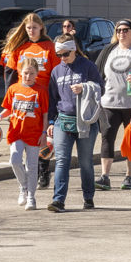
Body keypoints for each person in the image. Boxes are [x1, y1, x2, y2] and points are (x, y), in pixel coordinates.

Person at [0, 13, 61, 190]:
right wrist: (9, 100)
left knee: (42, 136)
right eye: (28, 28)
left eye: (35, 27)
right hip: (22, 96)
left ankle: (43, 170)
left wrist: (56, 97)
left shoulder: (49, 47)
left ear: (41, 27)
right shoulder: (20, 47)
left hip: (44, 96)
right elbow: (11, 74)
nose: (32, 30)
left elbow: (57, 74)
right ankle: (28, 179)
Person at [47, 35, 104, 213]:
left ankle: (88, 196)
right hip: (63, 120)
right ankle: (58, 200)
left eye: (65, 54)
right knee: (62, 160)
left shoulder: (88, 66)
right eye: (59, 55)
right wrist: (50, 121)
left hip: (85, 121)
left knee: (85, 161)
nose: (62, 58)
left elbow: (101, 87)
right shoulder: (56, 71)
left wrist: (85, 87)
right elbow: (53, 98)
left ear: (73, 50)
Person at [94, 20, 131, 191]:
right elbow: (97, 73)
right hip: (109, 103)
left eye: (125, 30)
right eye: (118, 30)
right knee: (107, 138)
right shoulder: (108, 50)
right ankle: (105, 176)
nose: (121, 33)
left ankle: (130, 177)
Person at [0, 59, 48, 210]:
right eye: (25, 73)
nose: (28, 76)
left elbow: (45, 115)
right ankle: (23, 187)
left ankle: (31, 197)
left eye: (31, 73)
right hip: (16, 132)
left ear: (36, 74)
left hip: (34, 133)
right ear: (20, 73)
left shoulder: (40, 91)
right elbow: (8, 108)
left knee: (32, 166)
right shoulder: (14, 88)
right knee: (14, 160)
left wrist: (44, 133)